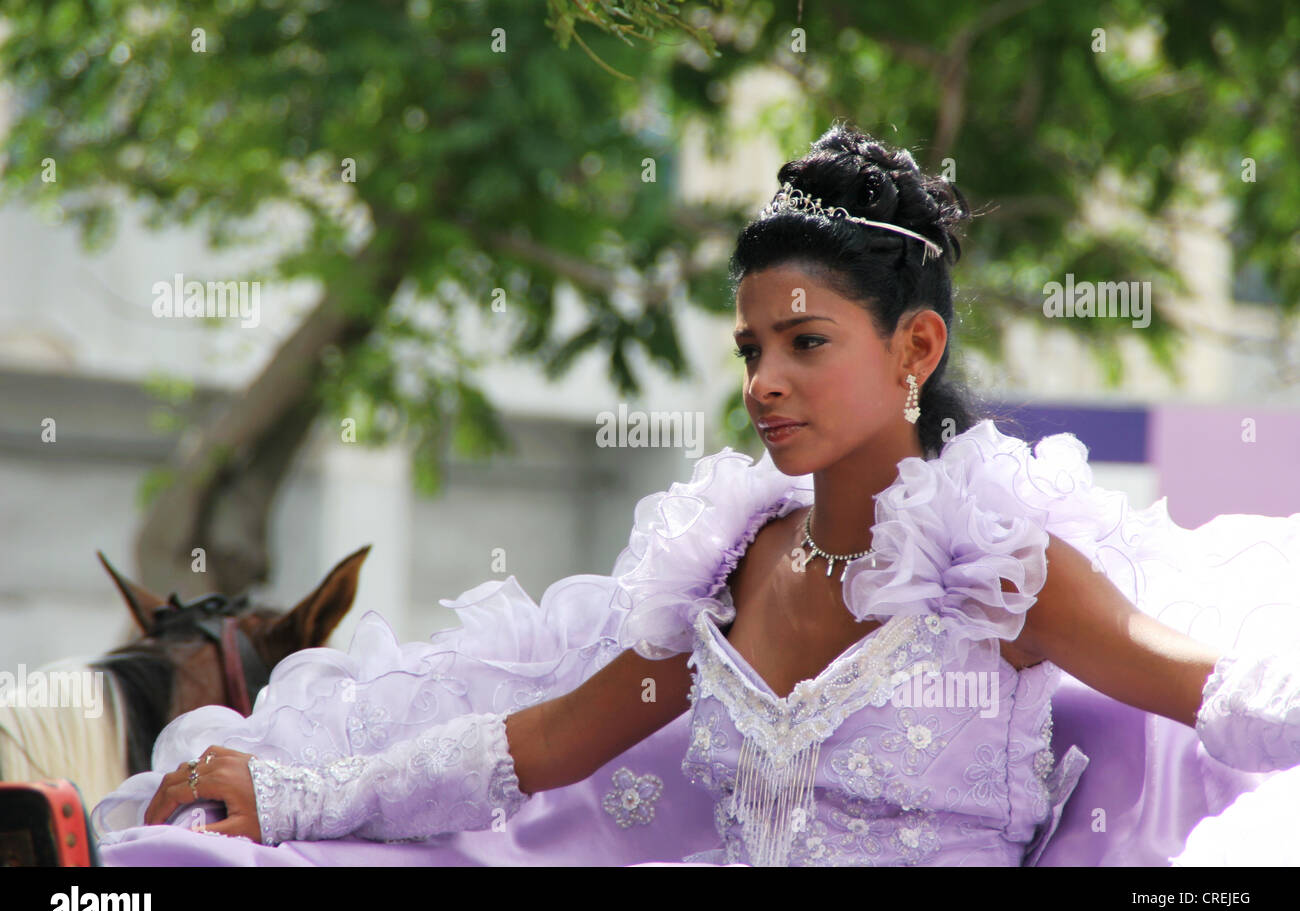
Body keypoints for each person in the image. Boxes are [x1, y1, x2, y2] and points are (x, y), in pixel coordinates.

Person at [91, 123, 1300, 866]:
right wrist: (298, 792)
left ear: (915, 349)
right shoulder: (725, 568)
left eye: (805, 343)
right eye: (747, 350)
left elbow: (1226, 704)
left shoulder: (997, 570)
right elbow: (542, 744)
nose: (764, 382)